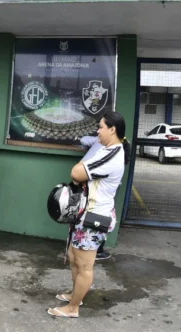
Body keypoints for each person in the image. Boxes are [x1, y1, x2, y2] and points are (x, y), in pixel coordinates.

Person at [49, 111, 129, 319]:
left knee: (84, 265)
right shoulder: (107, 148)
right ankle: (76, 295)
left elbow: (76, 173)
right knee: (74, 257)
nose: (98, 130)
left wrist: (78, 169)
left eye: (101, 127)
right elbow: (80, 172)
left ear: (112, 129)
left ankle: (73, 308)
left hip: (95, 216)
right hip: (85, 213)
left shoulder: (113, 153)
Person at [79, 132, 112, 261]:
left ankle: (86, 246)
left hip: (89, 180)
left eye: (102, 127)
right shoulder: (116, 147)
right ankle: (96, 250)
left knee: (85, 210)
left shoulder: (105, 144)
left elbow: (83, 139)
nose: (99, 130)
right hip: (95, 183)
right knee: (100, 214)